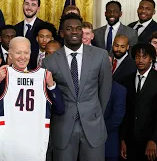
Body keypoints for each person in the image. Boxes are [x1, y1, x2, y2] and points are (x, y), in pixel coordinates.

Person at [0, 37, 64, 161]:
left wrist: (51, 85)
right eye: (18, 52)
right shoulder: (1, 76)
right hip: (5, 145)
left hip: (33, 146)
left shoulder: (42, 77)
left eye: (26, 52)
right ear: (10, 55)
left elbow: (60, 109)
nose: (22, 57)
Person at [42, 13, 112, 161]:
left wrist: (95, 114)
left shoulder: (100, 55)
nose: (74, 31)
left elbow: (104, 91)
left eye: (78, 28)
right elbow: (48, 99)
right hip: (63, 128)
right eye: (69, 28)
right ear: (61, 33)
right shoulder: (49, 62)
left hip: (93, 127)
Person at [120, 43, 157, 161]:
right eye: (137, 57)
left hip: (151, 144)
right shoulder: (126, 80)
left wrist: (154, 140)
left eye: (144, 57)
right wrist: (122, 139)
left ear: (151, 58)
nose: (140, 60)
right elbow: (125, 113)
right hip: (130, 144)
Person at [104, 57, 126, 161]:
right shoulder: (87, 88)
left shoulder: (119, 90)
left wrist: (95, 130)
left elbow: (117, 118)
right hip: (87, 148)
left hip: (109, 146)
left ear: (112, 66)